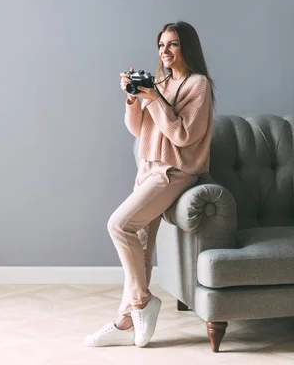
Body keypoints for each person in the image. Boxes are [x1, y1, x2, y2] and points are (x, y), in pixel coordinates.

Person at [84, 21, 215, 348]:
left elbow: (183, 136)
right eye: (161, 45)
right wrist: (133, 98)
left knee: (119, 225)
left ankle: (142, 302)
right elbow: (138, 130)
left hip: (174, 172)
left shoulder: (197, 85)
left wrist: (155, 99)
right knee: (140, 245)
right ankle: (123, 320)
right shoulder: (162, 82)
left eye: (172, 44)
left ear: (187, 47)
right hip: (149, 169)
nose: (165, 51)